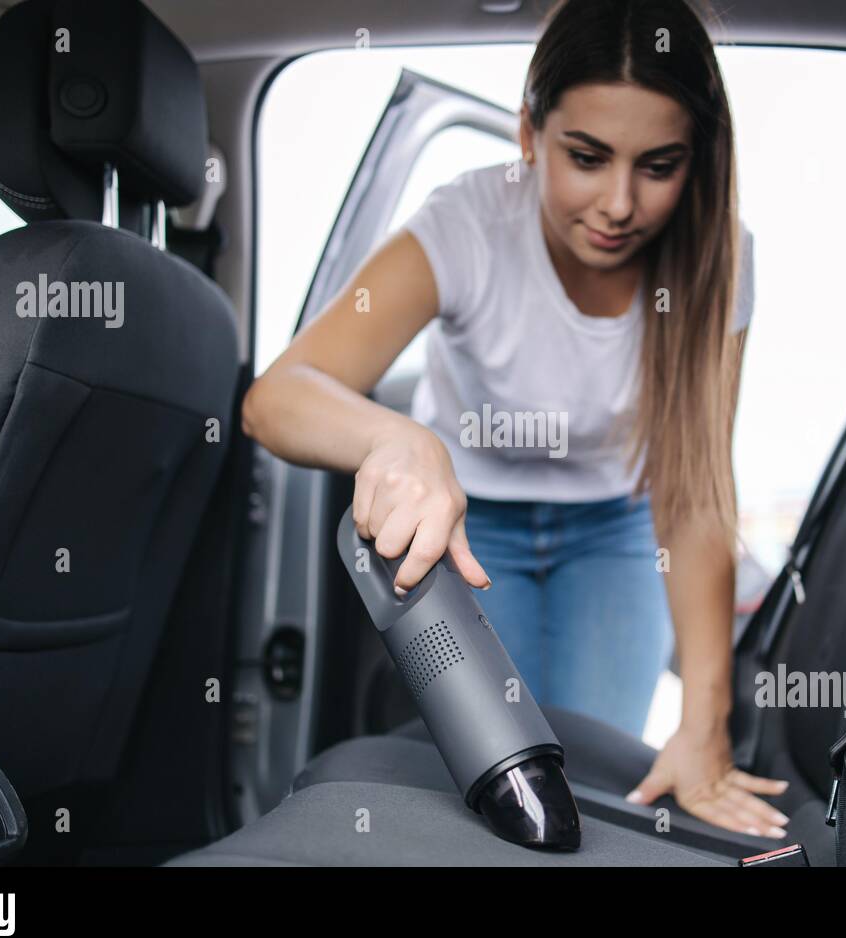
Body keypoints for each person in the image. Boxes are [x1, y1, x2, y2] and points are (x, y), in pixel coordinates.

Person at [243, 0, 790, 838]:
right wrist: (401, 439)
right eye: (586, 156)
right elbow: (277, 398)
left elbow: (695, 496)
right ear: (530, 135)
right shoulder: (467, 223)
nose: (617, 203)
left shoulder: (722, 258)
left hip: (615, 534)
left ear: (697, 162)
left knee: (591, 796)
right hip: (470, 532)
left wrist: (705, 725)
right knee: (487, 796)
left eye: (658, 165)